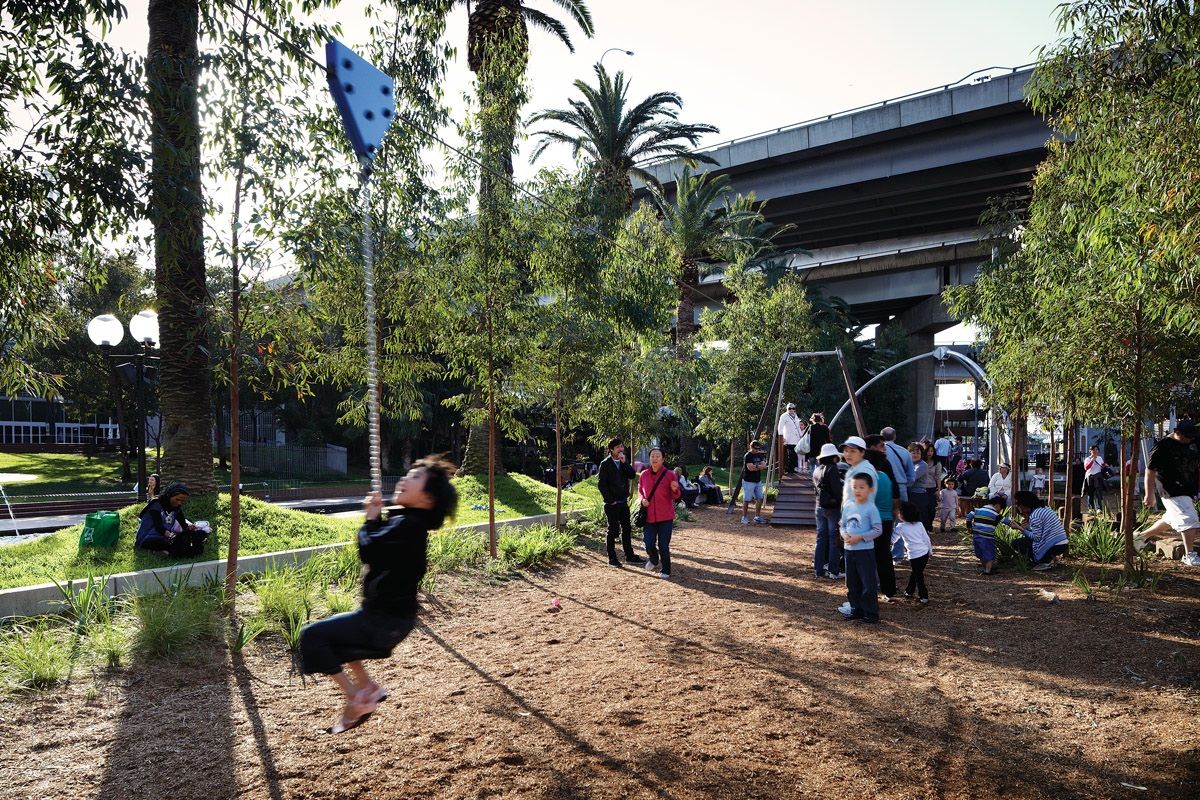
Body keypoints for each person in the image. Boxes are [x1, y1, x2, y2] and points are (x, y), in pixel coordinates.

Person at [299, 456, 457, 734]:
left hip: (382, 621)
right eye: (407, 475)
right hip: (389, 620)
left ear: (428, 499)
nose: (404, 479)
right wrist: (375, 519)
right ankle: (367, 686)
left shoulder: (408, 525)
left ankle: (355, 696)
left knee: (313, 636)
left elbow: (369, 550)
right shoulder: (407, 524)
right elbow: (381, 545)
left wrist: (370, 518)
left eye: (415, 477)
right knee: (339, 643)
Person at [1135, 420, 1200, 565]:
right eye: (1187, 437)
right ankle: (1189, 555)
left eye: (1192, 437)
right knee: (1189, 518)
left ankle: (1139, 538)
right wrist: (1149, 494)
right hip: (1170, 488)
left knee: (1171, 518)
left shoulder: (1195, 440)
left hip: (1189, 488)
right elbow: (1150, 470)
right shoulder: (1163, 446)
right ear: (1177, 433)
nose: (1190, 440)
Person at [838, 472, 883, 624]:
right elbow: (842, 525)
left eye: (861, 487)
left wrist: (861, 537)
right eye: (854, 487)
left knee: (868, 584)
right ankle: (855, 609)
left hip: (865, 551)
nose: (857, 490)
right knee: (852, 583)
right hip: (849, 551)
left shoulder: (871, 508)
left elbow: (878, 530)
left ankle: (870, 613)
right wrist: (844, 535)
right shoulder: (848, 506)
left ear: (870, 489)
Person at [597, 437, 645, 568]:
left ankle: (630, 556)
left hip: (623, 502)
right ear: (611, 449)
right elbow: (602, 485)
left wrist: (625, 463)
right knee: (612, 530)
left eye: (621, 446)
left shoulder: (623, 461)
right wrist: (610, 500)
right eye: (618, 447)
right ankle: (612, 558)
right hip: (612, 504)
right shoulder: (605, 464)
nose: (621, 449)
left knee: (627, 529)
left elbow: (632, 475)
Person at [135, 481, 210, 557]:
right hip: (149, 537)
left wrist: (190, 528)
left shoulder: (176, 508)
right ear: (169, 495)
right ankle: (165, 551)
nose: (179, 503)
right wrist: (172, 537)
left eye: (182, 501)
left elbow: (183, 524)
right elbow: (159, 527)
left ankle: (170, 551)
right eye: (177, 499)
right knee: (170, 543)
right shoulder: (156, 504)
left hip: (167, 537)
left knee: (199, 534)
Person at [638, 447, 681, 578]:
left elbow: (677, 496)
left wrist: (675, 489)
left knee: (663, 545)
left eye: (657, 456)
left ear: (663, 459)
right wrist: (642, 500)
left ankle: (666, 569)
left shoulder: (669, 475)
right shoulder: (644, 474)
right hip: (649, 516)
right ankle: (654, 559)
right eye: (652, 456)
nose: (654, 458)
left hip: (665, 516)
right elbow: (640, 491)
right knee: (648, 542)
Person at [863, 445, 898, 601]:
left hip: (872, 522)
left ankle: (869, 588)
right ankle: (889, 589)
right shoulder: (885, 476)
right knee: (884, 555)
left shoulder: (869, 479)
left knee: (869, 557)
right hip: (887, 519)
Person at [1012, 490, 1069, 571]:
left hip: (1055, 545)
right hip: (1062, 543)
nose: (1017, 507)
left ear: (1024, 504)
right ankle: (1049, 558)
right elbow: (1041, 531)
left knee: (1017, 543)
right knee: (1026, 541)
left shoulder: (1035, 516)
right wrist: (1026, 527)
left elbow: (1036, 537)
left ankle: (1044, 561)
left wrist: (1020, 528)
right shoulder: (1044, 509)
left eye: (1018, 504)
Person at [812, 443, 845, 579]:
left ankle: (818, 569)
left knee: (820, 539)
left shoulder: (816, 469)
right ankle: (834, 570)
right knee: (833, 540)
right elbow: (837, 491)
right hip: (832, 508)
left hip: (819, 506)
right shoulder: (832, 469)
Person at [892, 501, 933, 603]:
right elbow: (926, 538)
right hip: (924, 553)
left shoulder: (900, 527)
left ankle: (924, 596)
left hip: (914, 556)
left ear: (902, 515)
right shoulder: (919, 524)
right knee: (916, 573)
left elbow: (892, 540)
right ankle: (909, 591)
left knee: (918, 576)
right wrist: (930, 550)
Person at [966, 495, 1012, 575]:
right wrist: (1018, 525)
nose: (999, 511)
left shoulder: (977, 510)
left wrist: (969, 528)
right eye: (1000, 509)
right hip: (988, 538)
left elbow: (968, 517)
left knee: (981, 554)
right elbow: (1008, 522)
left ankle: (985, 569)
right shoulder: (996, 514)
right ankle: (988, 570)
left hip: (976, 536)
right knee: (990, 554)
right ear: (998, 505)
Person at [881, 427, 916, 502]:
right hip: (901, 487)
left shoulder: (878, 451)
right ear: (894, 436)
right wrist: (904, 485)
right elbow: (912, 477)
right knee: (902, 512)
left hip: (883, 488)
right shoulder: (905, 452)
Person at [740, 440, 768, 525]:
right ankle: (744, 517)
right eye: (755, 448)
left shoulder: (760, 454)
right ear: (751, 447)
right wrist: (759, 466)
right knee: (747, 499)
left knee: (759, 498)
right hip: (748, 481)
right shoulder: (748, 455)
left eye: (758, 448)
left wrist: (756, 466)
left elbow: (764, 465)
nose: (757, 450)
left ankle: (757, 517)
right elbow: (750, 468)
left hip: (757, 480)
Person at [776, 403, 804, 475]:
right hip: (789, 438)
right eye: (789, 408)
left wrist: (801, 435)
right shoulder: (784, 416)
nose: (791, 410)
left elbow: (798, 427)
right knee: (791, 454)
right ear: (787, 409)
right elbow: (780, 427)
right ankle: (790, 470)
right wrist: (781, 437)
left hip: (797, 438)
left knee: (795, 454)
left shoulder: (795, 415)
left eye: (793, 408)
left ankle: (794, 468)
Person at [1083, 445, 1106, 514]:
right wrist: (1092, 460)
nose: (1095, 451)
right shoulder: (1087, 459)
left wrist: (1104, 465)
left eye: (1096, 450)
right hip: (1090, 478)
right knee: (1090, 494)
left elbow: (1102, 466)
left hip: (1098, 477)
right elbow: (1086, 468)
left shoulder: (1100, 458)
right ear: (1090, 451)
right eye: (1094, 450)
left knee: (1099, 493)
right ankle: (1091, 509)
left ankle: (1099, 508)